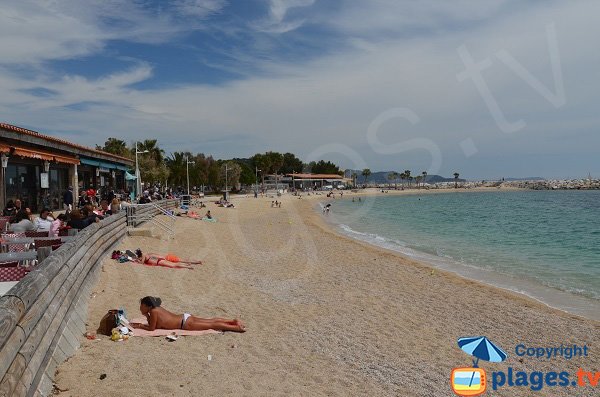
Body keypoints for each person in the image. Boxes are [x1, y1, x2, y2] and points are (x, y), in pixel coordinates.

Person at [130, 296, 245, 332]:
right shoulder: (157, 309)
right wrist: (146, 316)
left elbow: (151, 328)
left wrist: (139, 325)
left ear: (148, 306)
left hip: (184, 324)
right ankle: (233, 321)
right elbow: (155, 324)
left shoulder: (153, 312)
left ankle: (236, 328)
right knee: (210, 321)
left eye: (142, 306)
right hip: (185, 317)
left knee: (212, 325)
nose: (140, 308)